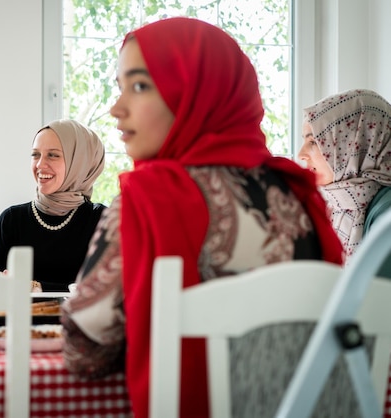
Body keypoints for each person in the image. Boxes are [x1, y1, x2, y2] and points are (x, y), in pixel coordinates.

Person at [60, 17, 344, 418]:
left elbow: (84, 352)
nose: (115, 108)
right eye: (120, 88)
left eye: (139, 86)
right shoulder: (299, 193)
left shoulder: (147, 199)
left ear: (197, 93)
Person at [0, 119, 106, 292]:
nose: (40, 165)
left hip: (78, 320)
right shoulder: (11, 219)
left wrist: (36, 287)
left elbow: (101, 292)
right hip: (18, 319)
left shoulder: (101, 220)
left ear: (79, 163)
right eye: (35, 154)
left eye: (53, 155)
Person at [298, 89, 391, 265]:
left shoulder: (386, 213)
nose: (301, 154)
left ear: (354, 144)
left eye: (313, 142)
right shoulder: (336, 204)